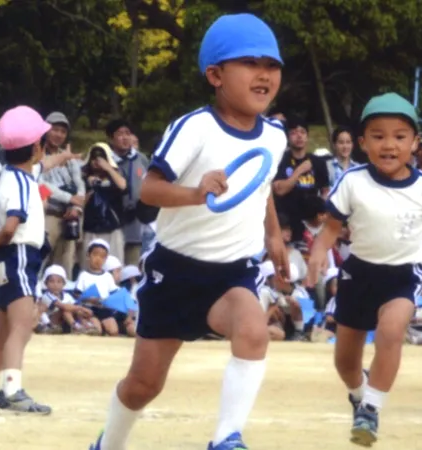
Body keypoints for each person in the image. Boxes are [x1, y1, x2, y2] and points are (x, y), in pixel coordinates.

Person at [89, 13, 289, 450]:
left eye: (272, 65)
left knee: (254, 330)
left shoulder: (275, 135)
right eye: (250, 63)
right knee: (144, 385)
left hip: (233, 273)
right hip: (174, 274)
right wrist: (197, 193)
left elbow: (262, 185)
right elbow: (151, 190)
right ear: (215, 75)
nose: (265, 74)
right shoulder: (194, 127)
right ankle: (107, 445)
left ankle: (226, 439)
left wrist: (274, 237)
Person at [305, 92, 422, 447]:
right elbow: (330, 228)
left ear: (415, 143)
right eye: (378, 136)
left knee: (390, 332)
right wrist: (316, 256)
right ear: (361, 143)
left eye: (400, 136)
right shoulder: (353, 181)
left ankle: (371, 410)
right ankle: (360, 395)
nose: (389, 145)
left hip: (405, 274)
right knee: (345, 362)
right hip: (358, 274)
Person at [0, 105, 73, 413]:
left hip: (7, 258)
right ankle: (12, 390)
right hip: (19, 253)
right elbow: (11, 225)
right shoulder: (21, 183)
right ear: (35, 146)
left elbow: (42, 165)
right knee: (23, 325)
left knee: (5, 327)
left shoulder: (15, 174)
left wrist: (65, 157)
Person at [39, 112, 85, 277]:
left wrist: (76, 205)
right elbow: (40, 184)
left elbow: (79, 182)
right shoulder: (37, 154)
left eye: (63, 131)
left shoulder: (68, 157)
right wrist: (68, 197)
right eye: (55, 129)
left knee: (65, 264)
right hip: (47, 213)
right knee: (40, 258)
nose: (59, 134)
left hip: (70, 216)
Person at [272, 117, 330, 238]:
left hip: (313, 222)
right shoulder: (281, 160)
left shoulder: (318, 162)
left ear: (307, 137)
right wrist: (299, 171)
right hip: (288, 222)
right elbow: (279, 190)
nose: (299, 136)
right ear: (288, 137)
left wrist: (321, 211)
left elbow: (325, 191)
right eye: (294, 133)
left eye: (302, 132)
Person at [106, 119, 149, 266]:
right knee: (113, 265)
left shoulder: (141, 159)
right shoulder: (106, 160)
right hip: (112, 222)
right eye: (120, 134)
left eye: (128, 133)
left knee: (133, 267)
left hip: (137, 222)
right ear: (111, 138)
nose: (125, 137)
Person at [80, 143, 128, 268]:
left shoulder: (114, 176)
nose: (97, 161)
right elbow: (79, 201)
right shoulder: (82, 177)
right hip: (90, 229)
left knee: (114, 266)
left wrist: (108, 168)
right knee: (89, 266)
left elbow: (123, 186)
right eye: (94, 158)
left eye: (101, 157)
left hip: (113, 228)